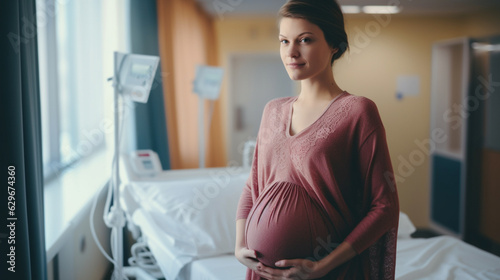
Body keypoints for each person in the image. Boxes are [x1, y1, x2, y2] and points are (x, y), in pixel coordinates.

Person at [234, 0, 400, 279]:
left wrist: (323, 266)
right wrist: (240, 245)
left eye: (305, 40)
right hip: (262, 272)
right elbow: (253, 186)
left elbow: (384, 206)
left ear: (334, 44)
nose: (291, 52)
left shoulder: (357, 111)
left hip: (331, 272)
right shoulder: (273, 110)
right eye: (284, 41)